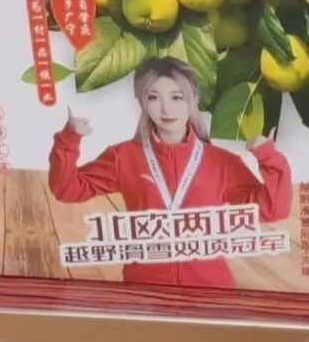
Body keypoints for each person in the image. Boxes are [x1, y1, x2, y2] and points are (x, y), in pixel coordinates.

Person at [48, 56, 292, 288]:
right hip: (145, 291)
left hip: (212, 291)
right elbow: (67, 189)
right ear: (142, 102)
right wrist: (69, 138)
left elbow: (273, 210)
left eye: (177, 97)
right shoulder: (123, 157)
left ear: (193, 99)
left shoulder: (221, 163)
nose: (166, 109)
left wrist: (268, 157)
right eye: (153, 97)